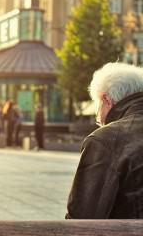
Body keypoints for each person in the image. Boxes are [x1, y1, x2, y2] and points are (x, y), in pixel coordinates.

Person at [66, 62, 143, 219]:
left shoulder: (105, 140)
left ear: (107, 100)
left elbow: (83, 218)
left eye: (97, 106)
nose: (98, 116)